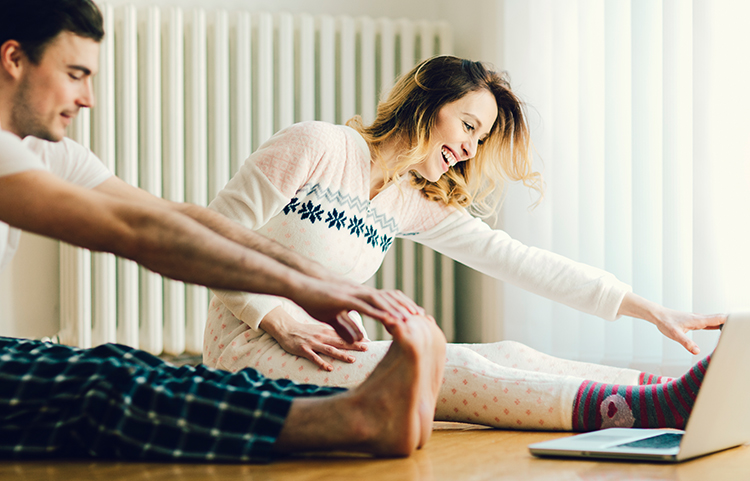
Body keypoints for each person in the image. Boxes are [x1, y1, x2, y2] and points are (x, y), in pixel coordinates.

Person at [0, 0, 447, 460]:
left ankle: (353, 407)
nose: (88, 98)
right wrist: (299, 286)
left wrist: (318, 281)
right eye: (76, 74)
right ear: (14, 59)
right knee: (103, 387)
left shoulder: (44, 150)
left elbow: (178, 216)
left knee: (126, 364)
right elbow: (134, 231)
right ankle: (356, 419)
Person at [203, 55, 727, 433]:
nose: (470, 148)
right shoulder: (317, 146)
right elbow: (209, 238)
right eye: (468, 125)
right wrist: (275, 316)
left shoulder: (408, 200)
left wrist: (648, 309)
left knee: (509, 352)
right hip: (247, 351)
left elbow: (518, 261)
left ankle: (674, 393)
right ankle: (649, 411)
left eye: (480, 138)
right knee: (457, 368)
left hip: (326, 350)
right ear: (427, 102)